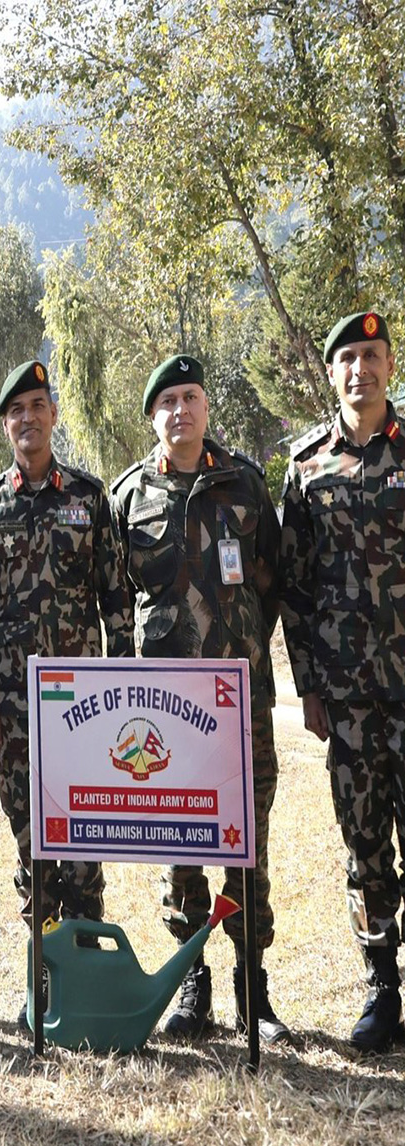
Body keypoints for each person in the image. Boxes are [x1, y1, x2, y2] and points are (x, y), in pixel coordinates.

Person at [111, 354, 290, 1043]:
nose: (180, 411)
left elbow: (271, 580)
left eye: (191, 397)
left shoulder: (242, 482)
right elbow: (114, 600)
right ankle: (193, 985)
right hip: (162, 715)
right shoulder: (129, 498)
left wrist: (241, 649)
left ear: (205, 407)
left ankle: (254, 991)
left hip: (239, 704)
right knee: (179, 842)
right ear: (152, 416)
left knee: (247, 843)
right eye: (167, 402)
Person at [0, 360, 132, 1023]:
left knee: (84, 847)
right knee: (31, 852)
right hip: (13, 711)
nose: (27, 418)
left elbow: (117, 600)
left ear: (53, 414)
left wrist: (122, 684)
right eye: (15, 411)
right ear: (5, 425)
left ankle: (90, 982)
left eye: (38, 405)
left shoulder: (89, 499)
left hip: (86, 712)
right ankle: (46, 984)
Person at [282, 311, 405, 1053]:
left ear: (391, 365)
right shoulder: (305, 467)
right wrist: (311, 689)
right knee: (364, 849)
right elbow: (293, 590)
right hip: (351, 698)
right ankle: (381, 988)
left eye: (372, 355)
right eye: (348, 359)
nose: (360, 369)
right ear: (332, 373)